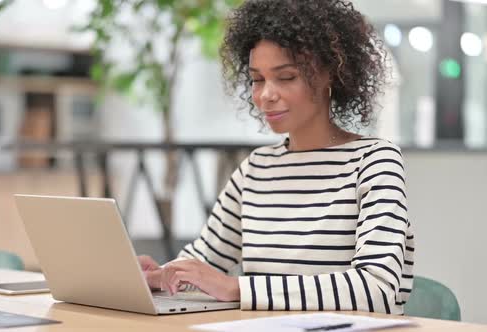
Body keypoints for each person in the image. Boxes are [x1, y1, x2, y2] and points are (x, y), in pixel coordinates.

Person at [139, 0, 414, 314]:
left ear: (330, 75)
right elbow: (202, 263)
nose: (266, 94)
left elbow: (375, 289)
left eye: (286, 77)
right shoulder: (256, 169)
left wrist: (235, 287)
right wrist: (158, 276)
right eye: (257, 79)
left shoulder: (374, 162)